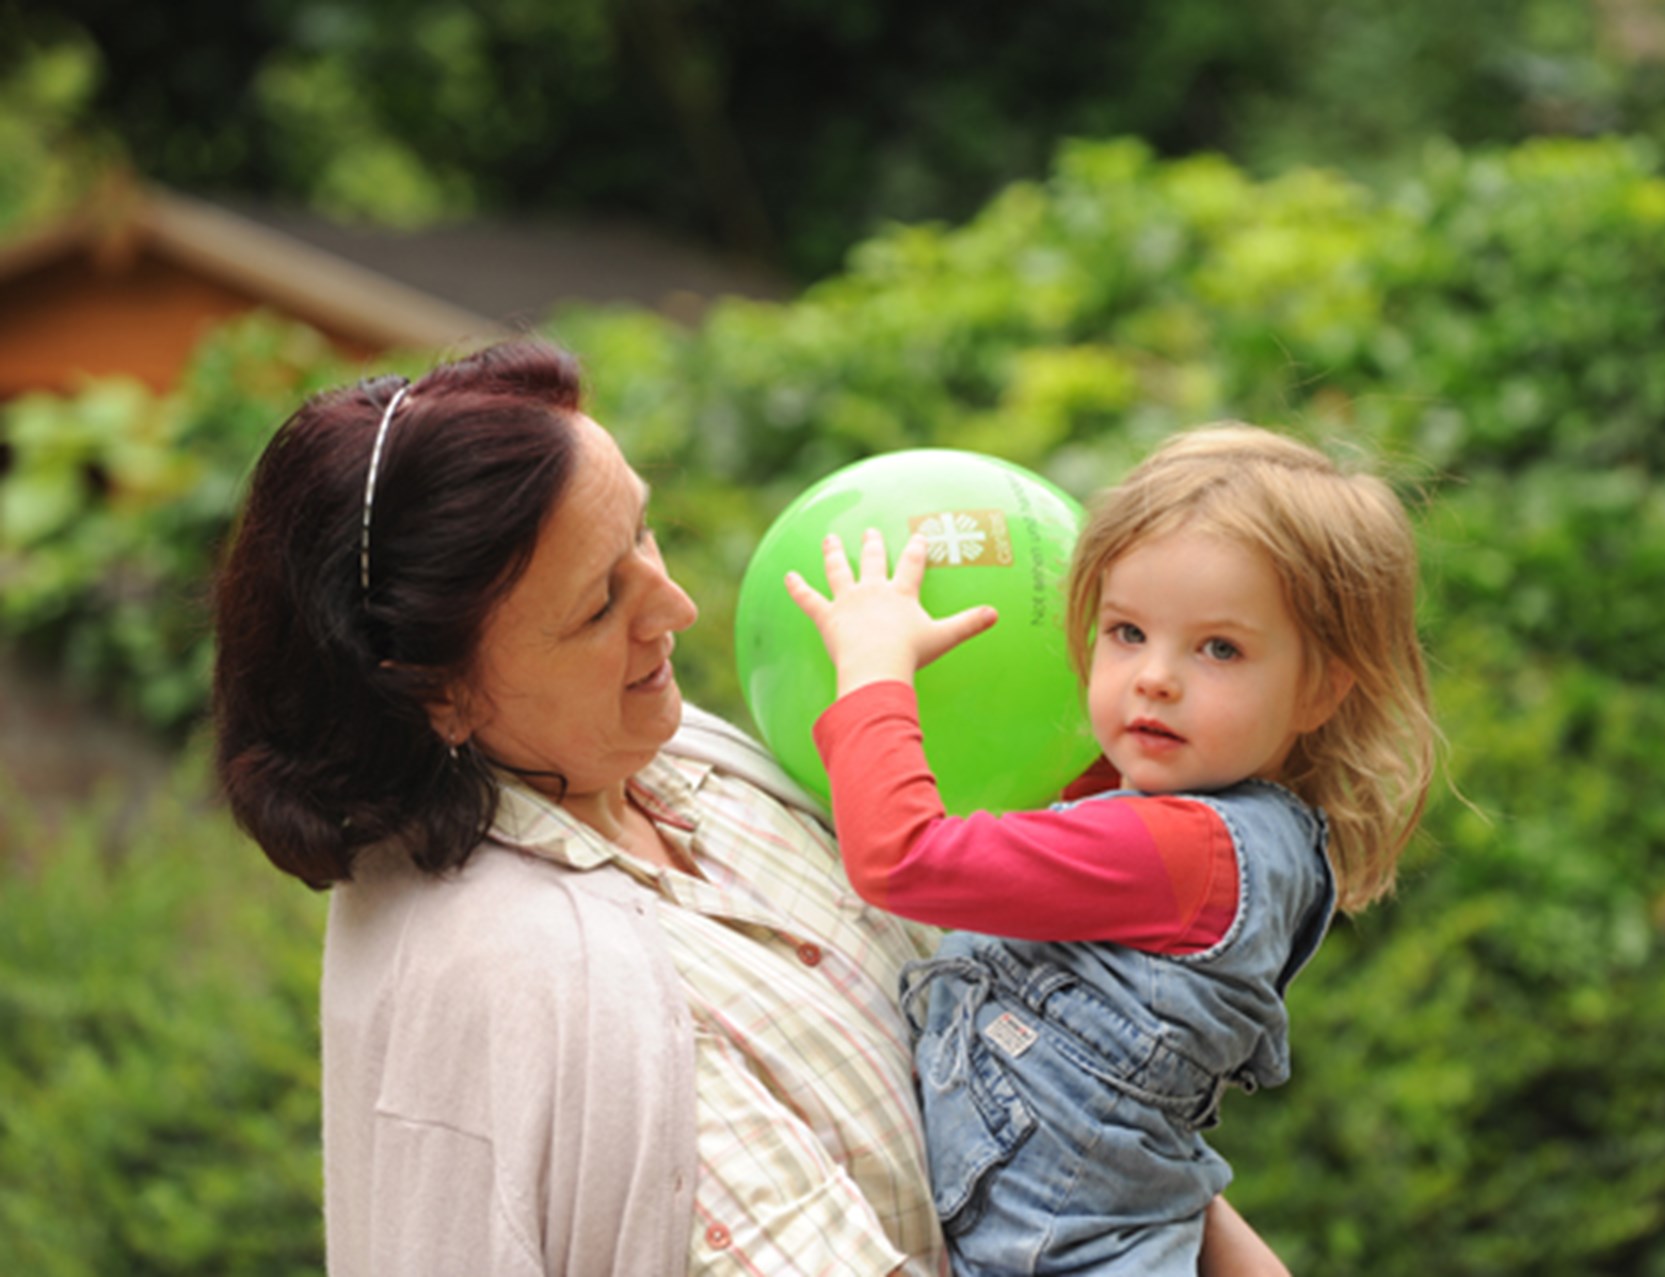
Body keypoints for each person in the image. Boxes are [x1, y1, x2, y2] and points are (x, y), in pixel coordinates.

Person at [212, 338, 1290, 1276]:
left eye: (642, 531)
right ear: (436, 689)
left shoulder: (686, 763)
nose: (673, 604)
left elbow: (1048, 1089)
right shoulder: (529, 975)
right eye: (600, 603)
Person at [784, 423, 1437, 1275]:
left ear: (1319, 687)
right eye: (1126, 631)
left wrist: (875, 670)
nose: (1154, 676)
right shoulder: (1215, 826)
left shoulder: (1180, 848)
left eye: (1220, 648)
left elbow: (903, 859)